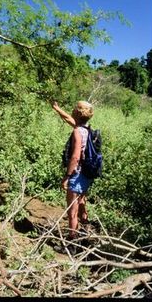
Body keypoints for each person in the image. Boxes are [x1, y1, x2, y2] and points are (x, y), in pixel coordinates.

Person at [52, 100, 94, 243]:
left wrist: (67, 176)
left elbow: (75, 157)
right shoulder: (87, 129)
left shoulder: (77, 131)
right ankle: (86, 231)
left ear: (77, 112)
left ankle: (72, 242)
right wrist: (57, 109)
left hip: (77, 174)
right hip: (87, 174)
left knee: (72, 211)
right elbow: (68, 119)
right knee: (81, 201)